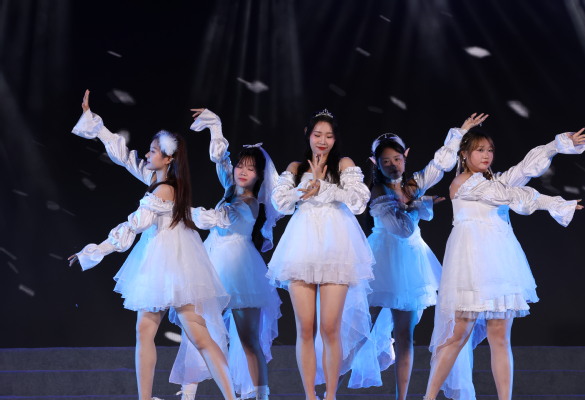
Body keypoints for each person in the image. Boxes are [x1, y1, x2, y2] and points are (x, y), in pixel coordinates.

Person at [68, 90, 237, 400]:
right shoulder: (158, 180)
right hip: (164, 256)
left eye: (153, 150)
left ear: (168, 158)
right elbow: (125, 157)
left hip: (169, 260)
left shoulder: (163, 190)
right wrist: (97, 126)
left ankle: (229, 396)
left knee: (197, 336)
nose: (147, 154)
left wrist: (94, 252)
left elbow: (133, 226)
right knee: (150, 331)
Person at [422, 126, 585, 400]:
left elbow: (522, 170)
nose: (486, 155)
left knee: (500, 337)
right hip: (471, 264)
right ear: (464, 154)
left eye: (489, 150)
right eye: (479, 150)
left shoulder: (495, 182)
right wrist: (554, 203)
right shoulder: (464, 182)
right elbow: (509, 195)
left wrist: (557, 145)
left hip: (499, 263)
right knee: (457, 335)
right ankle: (428, 397)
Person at [354, 113, 487, 400]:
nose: (393, 165)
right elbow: (400, 228)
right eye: (386, 161)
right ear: (375, 162)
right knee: (359, 329)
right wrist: (418, 205)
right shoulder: (377, 190)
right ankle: (328, 389)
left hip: (411, 263)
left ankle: (401, 397)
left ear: (406, 156)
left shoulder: (412, 185)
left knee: (406, 335)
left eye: (397, 158)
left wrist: (460, 132)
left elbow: (438, 166)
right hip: (381, 260)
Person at [170, 108, 282, 400]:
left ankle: (260, 396)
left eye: (250, 169)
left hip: (241, 270)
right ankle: (188, 393)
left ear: (259, 176)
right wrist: (215, 125)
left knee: (248, 340)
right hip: (212, 263)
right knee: (196, 329)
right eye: (241, 166)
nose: (242, 171)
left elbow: (221, 218)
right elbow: (221, 160)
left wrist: (179, 210)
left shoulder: (249, 203)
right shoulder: (231, 189)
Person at [267, 109, 376, 400]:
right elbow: (279, 203)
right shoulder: (295, 167)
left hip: (336, 246)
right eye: (318, 135)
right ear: (308, 134)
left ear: (335, 138)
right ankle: (309, 395)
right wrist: (305, 189)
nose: (323, 141)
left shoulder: (344, 164)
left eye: (328, 136)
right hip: (301, 246)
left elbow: (359, 202)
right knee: (305, 328)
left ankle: (330, 395)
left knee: (330, 328)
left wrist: (323, 187)